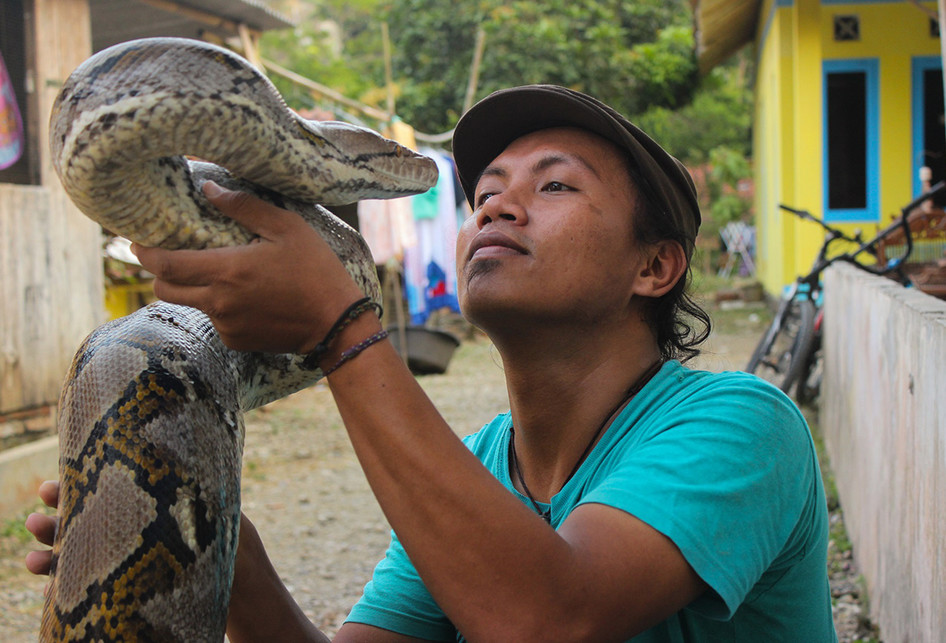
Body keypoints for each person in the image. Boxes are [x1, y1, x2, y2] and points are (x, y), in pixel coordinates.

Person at [26, 85, 837, 642]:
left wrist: (342, 331)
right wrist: (207, 530)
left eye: (554, 186)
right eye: (485, 191)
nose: (496, 205)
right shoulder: (479, 467)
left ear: (654, 267)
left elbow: (548, 618)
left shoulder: (744, 423)